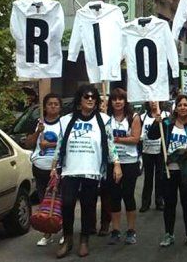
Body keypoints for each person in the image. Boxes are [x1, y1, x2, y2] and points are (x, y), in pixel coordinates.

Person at [51, 85, 122, 259]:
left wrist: (117, 164)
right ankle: (67, 239)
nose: (90, 99)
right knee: (67, 204)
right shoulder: (66, 120)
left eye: (93, 97)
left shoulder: (104, 120)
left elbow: (110, 143)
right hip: (70, 169)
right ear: (79, 100)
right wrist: (54, 167)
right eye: (86, 96)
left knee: (88, 205)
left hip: (92, 169)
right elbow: (60, 144)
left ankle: (84, 240)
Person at [150, 95, 187, 248]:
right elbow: (152, 135)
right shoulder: (166, 123)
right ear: (176, 108)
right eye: (180, 105)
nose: (183, 107)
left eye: (186, 105)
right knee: (170, 204)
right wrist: (156, 122)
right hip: (169, 170)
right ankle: (169, 234)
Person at [106, 88, 142, 245]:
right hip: (112, 162)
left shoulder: (133, 117)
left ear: (125, 101)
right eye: (114, 99)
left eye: (120, 99)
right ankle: (115, 230)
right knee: (114, 197)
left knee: (128, 195)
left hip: (129, 162)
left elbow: (135, 139)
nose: (118, 102)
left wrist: (117, 139)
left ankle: (131, 230)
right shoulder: (106, 118)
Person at [29, 93, 63, 247]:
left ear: (60, 107)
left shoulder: (63, 123)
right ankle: (47, 232)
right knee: (44, 202)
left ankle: (64, 231)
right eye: (50, 104)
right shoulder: (39, 123)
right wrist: (38, 132)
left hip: (58, 168)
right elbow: (28, 143)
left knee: (61, 201)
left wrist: (48, 145)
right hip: (40, 168)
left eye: (56, 104)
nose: (53, 106)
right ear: (45, 107)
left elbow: (66, 143)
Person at [140, 101, 167, 212]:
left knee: (160, 177)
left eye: (155, 100)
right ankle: (145, 203)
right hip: (147, 151)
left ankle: (159, 201)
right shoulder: (143, 117)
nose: (153, 102)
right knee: (148, 178)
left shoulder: (166, 115)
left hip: (160, 151)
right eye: (151, 100)